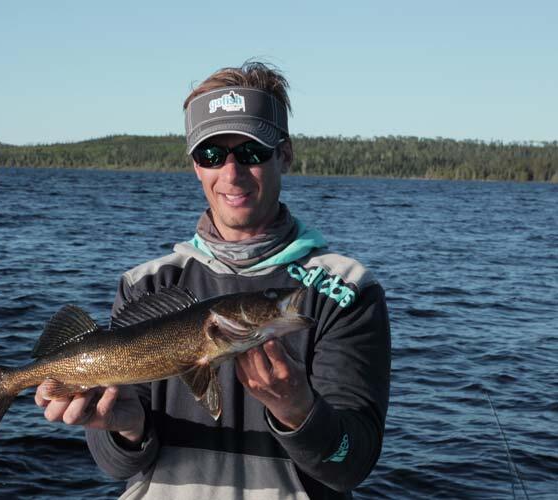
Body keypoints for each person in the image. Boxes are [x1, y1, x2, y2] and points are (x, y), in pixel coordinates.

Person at [35, 61, 391, 499]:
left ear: (285, 154)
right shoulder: (145, 284)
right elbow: (115, 465)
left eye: (252, 152)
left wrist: (298, 410)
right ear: (195, 167)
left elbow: (351, 465)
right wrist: (126, 426)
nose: (232, 172)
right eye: (211, 155)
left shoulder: (343, 290)